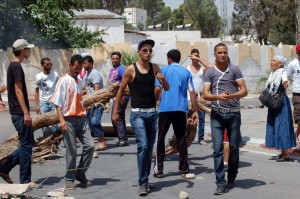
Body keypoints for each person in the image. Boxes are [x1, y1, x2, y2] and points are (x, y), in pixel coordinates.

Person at [112, 39, 169, 196]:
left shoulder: (155, 67)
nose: (148, 53)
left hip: (152, 113)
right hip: (137, 114)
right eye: (145, 50)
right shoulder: (130, 70)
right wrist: (115, 111)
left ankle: (145, 180)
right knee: (143, 146)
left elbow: (167, 87)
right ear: (139, 52)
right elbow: (121, 90)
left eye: (150, 50)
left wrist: (162, 79)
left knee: (149, 149)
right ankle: (142, 183)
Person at [203, 43, 248, 195]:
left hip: (234, 113)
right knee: (217, 149)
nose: (223, 55)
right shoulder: (210, 72)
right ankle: (220, 183)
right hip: (217, 114)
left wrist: (232, 96)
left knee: (234, 148)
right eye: (220, 52)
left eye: (225, 52)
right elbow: (205, 94)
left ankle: (232, 177)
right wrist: (218, 97)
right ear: (214, 54)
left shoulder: (234, 69)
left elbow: (244, 91)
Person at [50, 54, 94, 189]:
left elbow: (77, 99)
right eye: (76, 68)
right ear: (70, 65)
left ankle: (80, 174)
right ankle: (69, 178)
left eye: (80, 68)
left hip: (82, 119)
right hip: (68, 120)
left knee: (90, 146)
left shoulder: (80, 81)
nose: (78, 71)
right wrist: (61, 120)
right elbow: (57, 103)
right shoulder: (63, 80)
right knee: (72, 150)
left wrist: (84, 105)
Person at [153, 49, 198, 179]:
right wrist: (195, 110)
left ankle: (159, 169)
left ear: (169, 59)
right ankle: (183, 169)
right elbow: (192, 93)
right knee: (181, 139)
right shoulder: (186, 72)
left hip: (165, 109)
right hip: (180, 109)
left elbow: (157, 89)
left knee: (160, 138)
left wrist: (155, 101)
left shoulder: (163, 71)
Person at [0, 39, 36, 187]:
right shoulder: (16, 67)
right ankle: (25, 181)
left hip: (17, 112)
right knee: (27, 146)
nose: (29, 51)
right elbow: (18, 90)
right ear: (22, 51)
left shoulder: (13, 66)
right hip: (20, 114)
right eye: (27, 49)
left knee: (26, 144)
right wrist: (26, 113)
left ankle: (4, 168)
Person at [266, 55, 296, 161]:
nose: (271, 62)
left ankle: (285, 154)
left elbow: (284, 79)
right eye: (271, 60)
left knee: (282, 126)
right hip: (273, 103)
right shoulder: (273, 73)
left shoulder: (282, 71)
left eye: (274, 61)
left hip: (281, 102)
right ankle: (283, 152)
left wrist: (285, 82)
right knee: (275, 125)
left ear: (280, 63)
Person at [187, 48, 213, 145]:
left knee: (201, 117)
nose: (195, 58)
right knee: (190, 117)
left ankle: (200, 138)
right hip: (190, 96)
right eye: (193, 56)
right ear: (190, 57)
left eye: (197, 56)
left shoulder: (202, 68)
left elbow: (211, 66)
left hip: (201, 95)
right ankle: (188, 137)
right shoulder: (187, 68)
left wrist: (199, 59)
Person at [109, 51, 129, 147]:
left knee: (116, 117)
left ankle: (122, 139)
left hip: (121, 97)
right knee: (120, 117)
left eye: (117, 58)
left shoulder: (121, 69)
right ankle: (124, 137)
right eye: (113, 58)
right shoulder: (112, 70)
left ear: (120, 59)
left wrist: (123, 97)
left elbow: (127, 83)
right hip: (115, 97)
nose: (115, 60)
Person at [35, 58, 60, 135]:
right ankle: (46, 140)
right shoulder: (38, 76)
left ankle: (56, 140)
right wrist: (37, 105)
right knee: (44, 124)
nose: (49, 65)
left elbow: (60, 86)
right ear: (42, 65)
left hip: (53, 102)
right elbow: (36, 91)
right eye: (47, 64)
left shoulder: (55, 75)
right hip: (43, 103)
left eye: (50, 64)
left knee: (55, 123)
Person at [287, 45, 300, 146]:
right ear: (297, 53)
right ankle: (296, 137)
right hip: (297, 93)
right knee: (299, 118)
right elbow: (288, 76)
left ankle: (295, 136)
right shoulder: (293, 64)